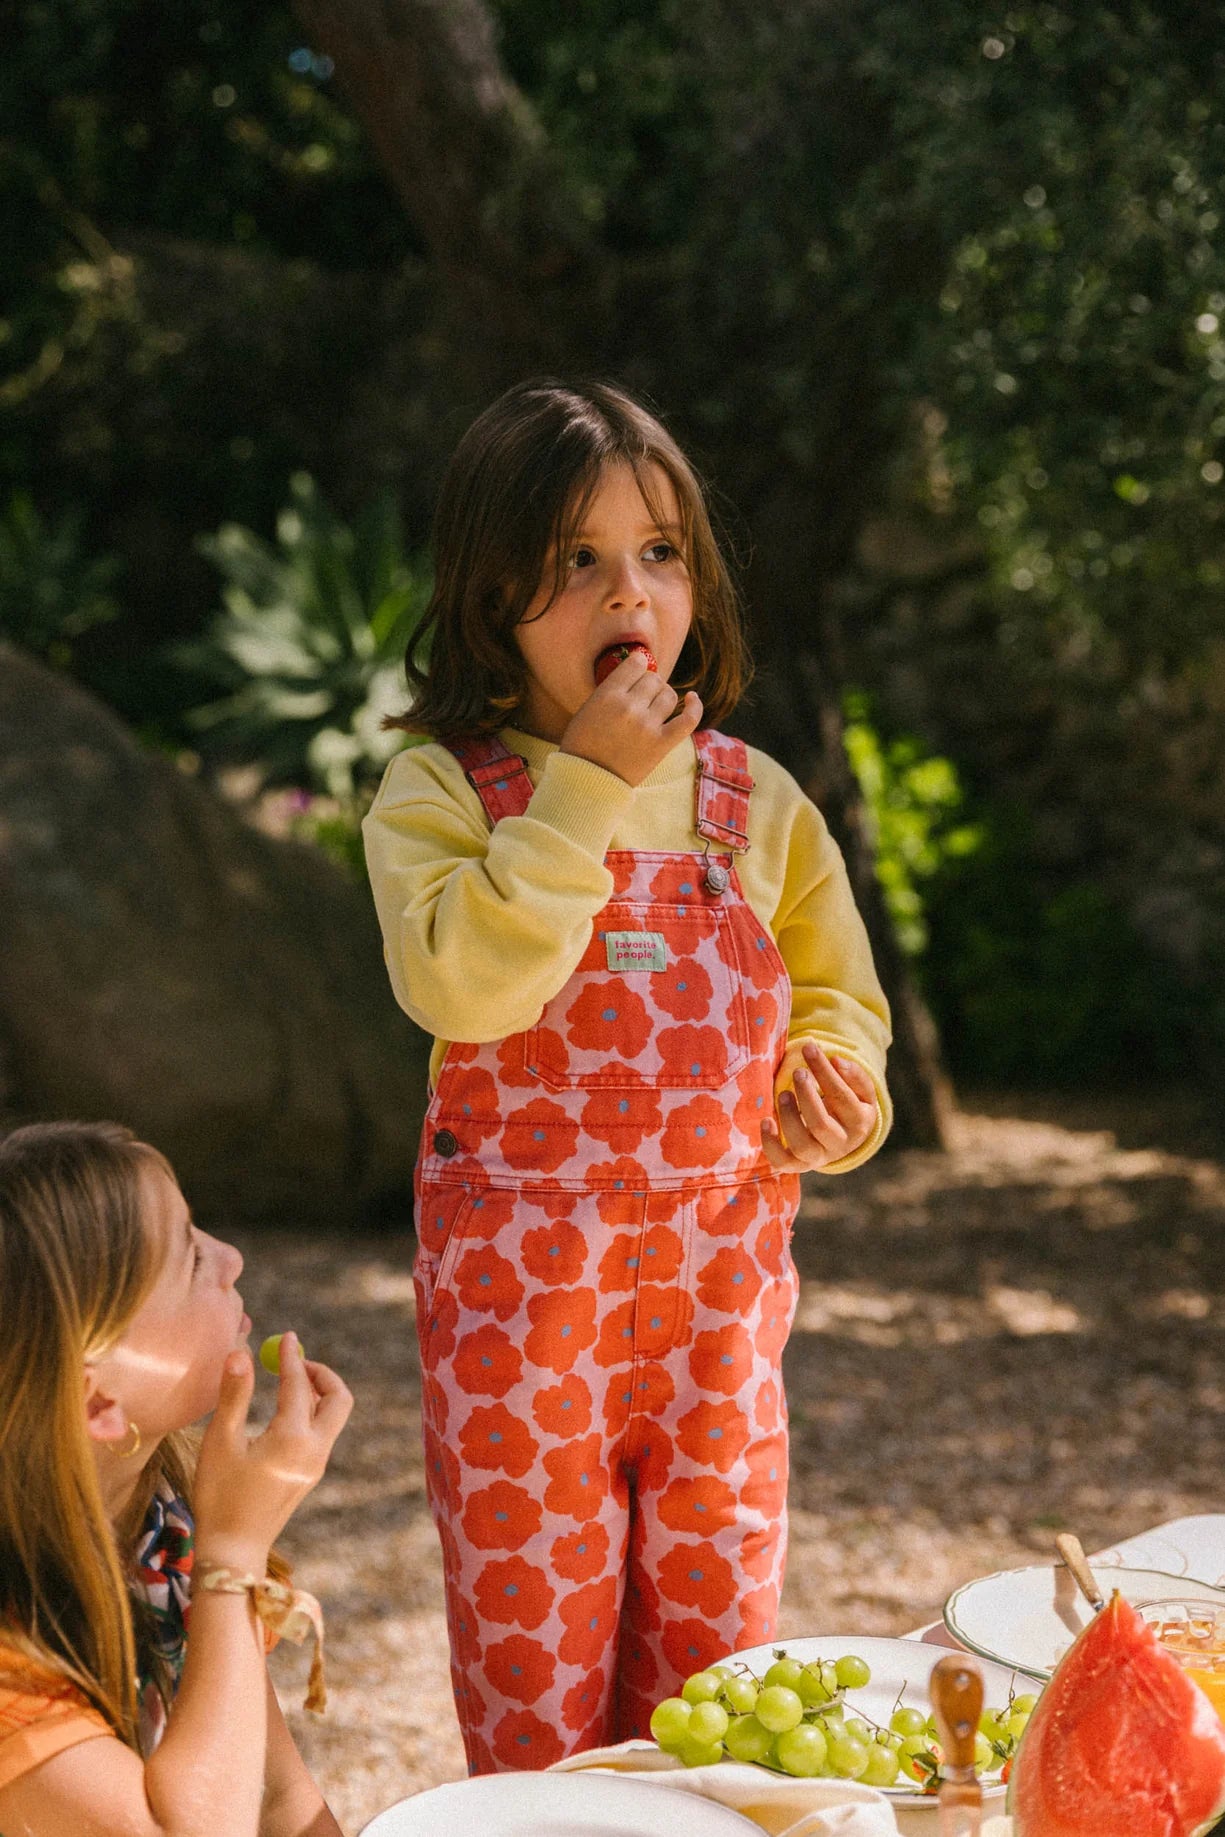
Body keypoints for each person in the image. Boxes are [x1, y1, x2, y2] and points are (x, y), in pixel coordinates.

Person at [362, 378, 892, 1774]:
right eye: (578, 558)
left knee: (721, 1674)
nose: (627, 590)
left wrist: (836, 1091)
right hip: (522, 1336)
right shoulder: (440, 794)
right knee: (533, 1679)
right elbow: (466, 987)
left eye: (659, 551)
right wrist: (586, 787)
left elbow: (838, 1001)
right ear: (494, 596)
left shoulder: (756, 804)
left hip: (722, 1320)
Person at [0, 1120, 353, 1837]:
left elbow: (277, 1796)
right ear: (97, 1403)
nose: (231, 1257)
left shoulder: (161, 1534)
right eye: (190, 1258)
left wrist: (221, 1555)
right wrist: (234, 1556)